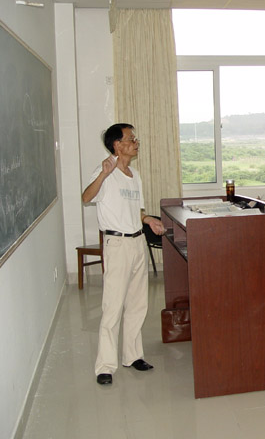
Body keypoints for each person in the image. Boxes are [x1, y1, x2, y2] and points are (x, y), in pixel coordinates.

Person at [81, 123, 164, 386]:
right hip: (117, 244)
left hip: (138, 242)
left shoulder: (134, 174)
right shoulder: (105, 171)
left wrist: (148, 220)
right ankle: (105, 366)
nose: (136, 142)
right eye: (131, 138)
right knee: (113, 306)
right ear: (117, 144)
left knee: (138, 304)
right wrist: (103, 175)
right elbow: (86, 197)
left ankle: (133, 355)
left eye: (135, 138)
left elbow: (136, 211)